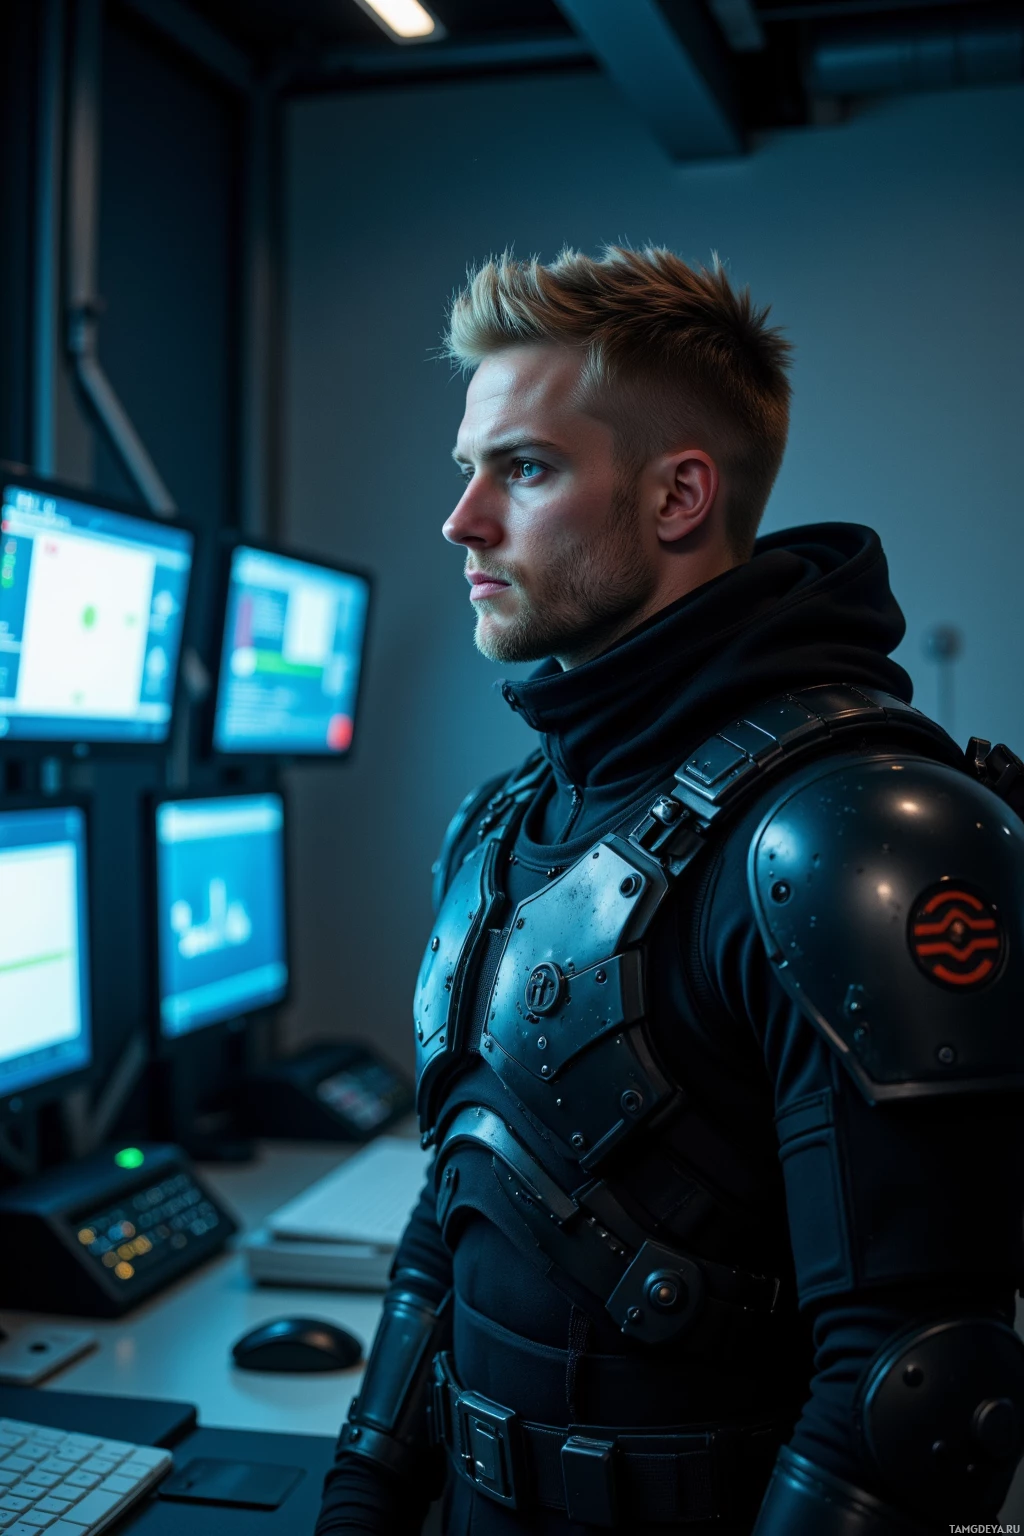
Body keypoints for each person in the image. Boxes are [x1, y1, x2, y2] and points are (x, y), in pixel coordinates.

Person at [314, 246, 1024, 1535]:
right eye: (466, 469)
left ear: (679, 494)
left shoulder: (855, 838)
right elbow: (460, 1207)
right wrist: (361, 1495)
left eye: (521, 469)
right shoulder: (505, 822)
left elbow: (917, 1392)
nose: (461, 520)